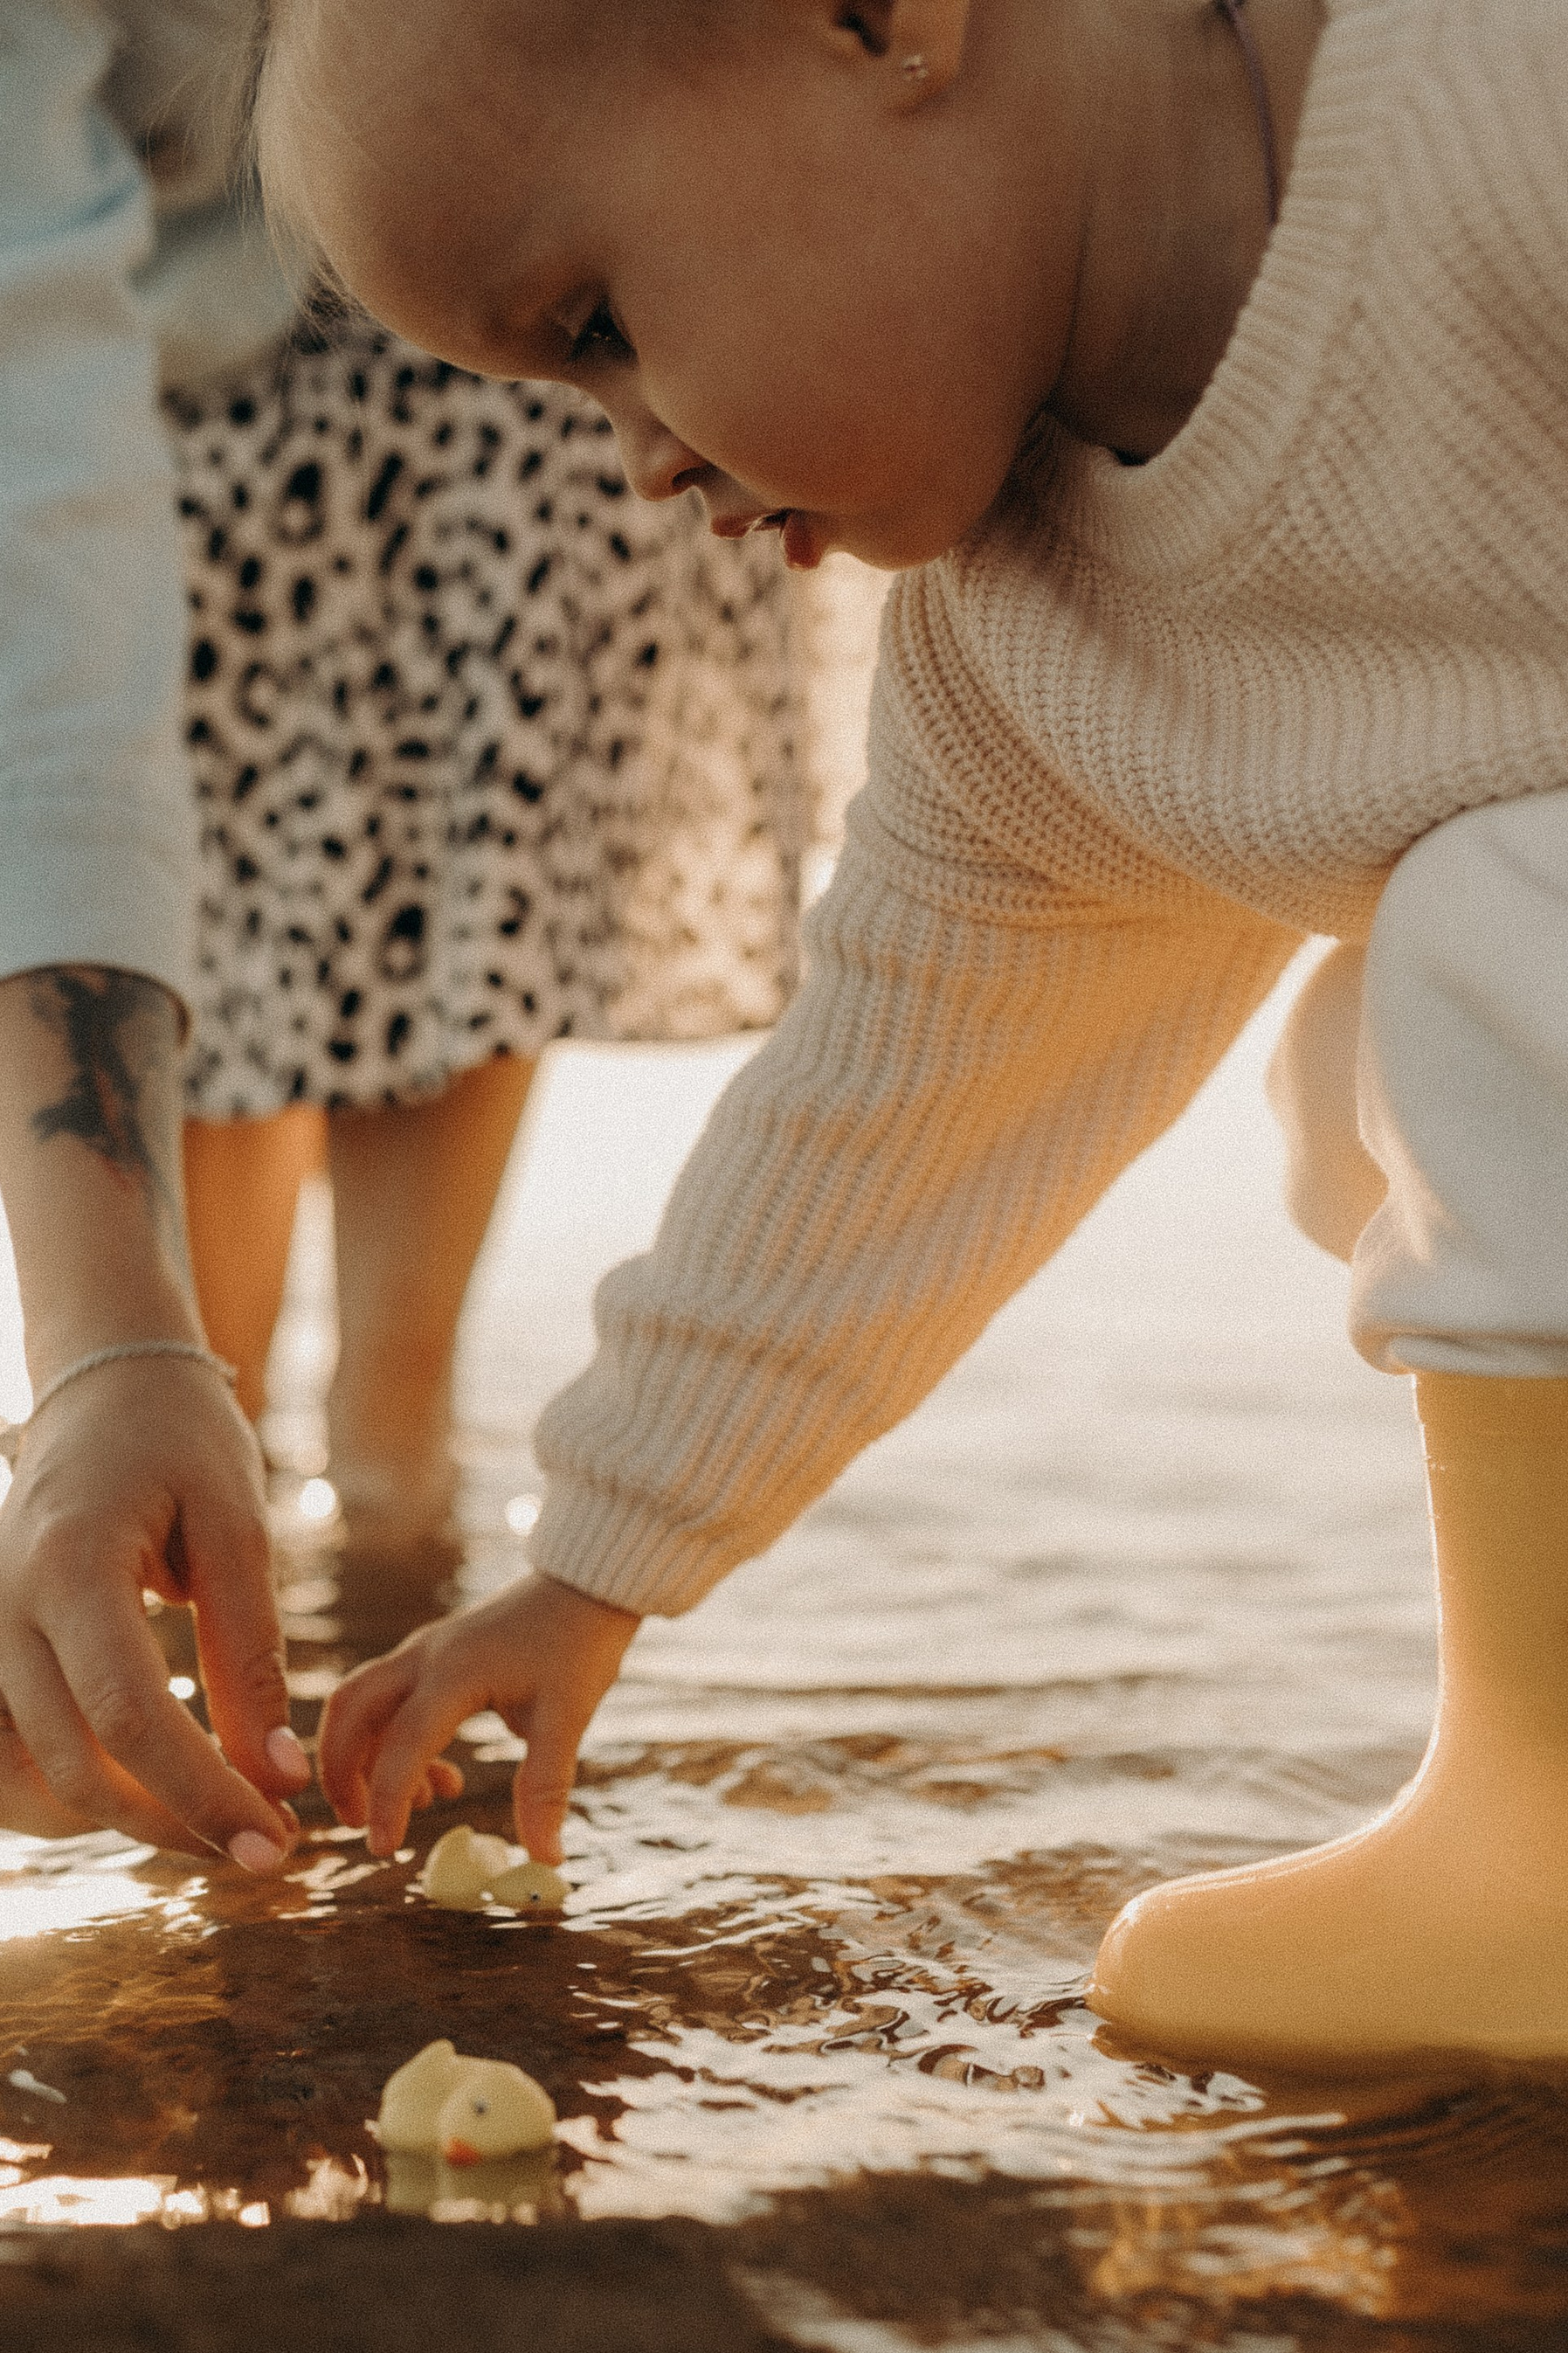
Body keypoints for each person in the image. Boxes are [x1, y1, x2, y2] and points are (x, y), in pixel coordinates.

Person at [265, 0, 1568, 2067]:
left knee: (1498, 953)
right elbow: (889, 1114)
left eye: (594, 319)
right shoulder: (1032, 664)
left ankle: (1545, 1839)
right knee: (1375, 1086)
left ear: (879, 17)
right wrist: (591, 1564)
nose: (634, 461)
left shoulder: (1490, 98)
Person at [0, 0, 817, 1867]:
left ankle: (383, 1536)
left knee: (437, 1039)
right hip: (180, 386)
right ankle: (237, 1525)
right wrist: (105, 1334)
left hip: (522, 325)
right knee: (207, 1223)